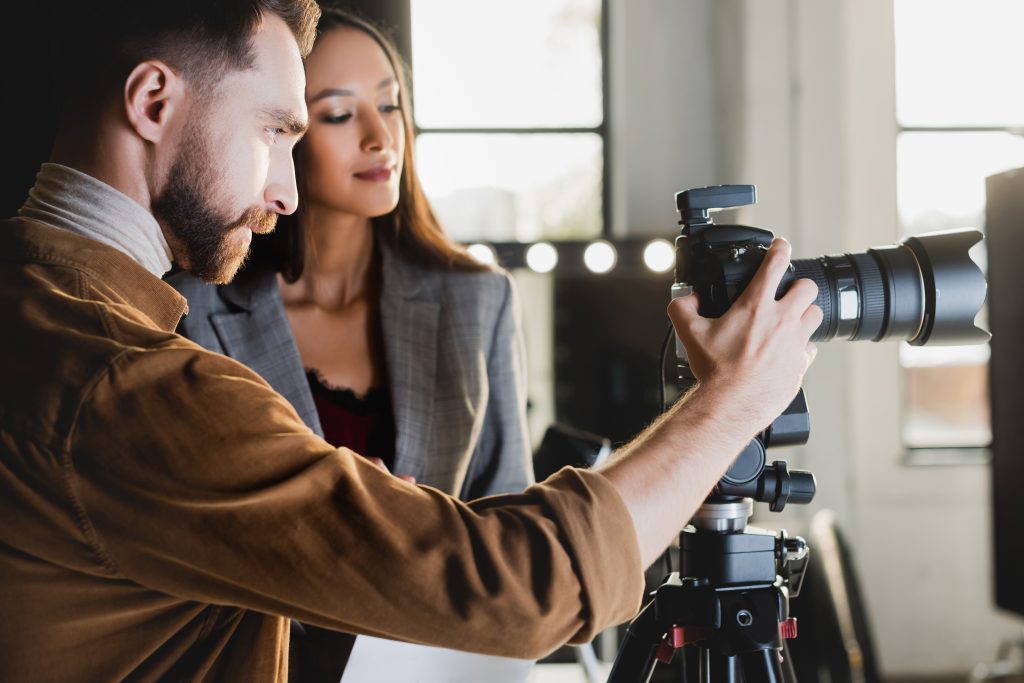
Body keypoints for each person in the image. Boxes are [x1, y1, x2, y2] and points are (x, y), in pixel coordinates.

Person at [0, 2, 822, 682]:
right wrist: (728, 402)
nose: (284, 192)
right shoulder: (135, 389)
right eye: (275, 132)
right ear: (152, 103)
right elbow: (525, 585)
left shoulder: (33, 305)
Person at [165, 8, 534, 680]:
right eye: (338, 114)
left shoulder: (478, 300)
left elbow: (508, 525)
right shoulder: (194, 307)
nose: (380, 136)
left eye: (390, 105)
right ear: (281, 132)